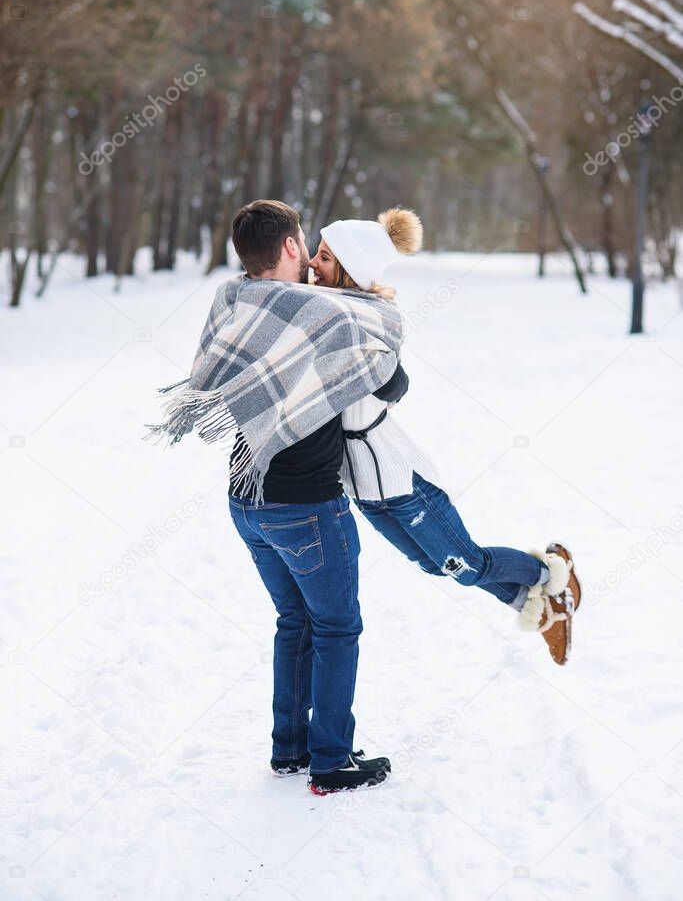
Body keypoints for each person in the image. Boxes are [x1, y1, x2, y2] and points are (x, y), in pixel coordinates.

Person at [146, 200, 408, 794]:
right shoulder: (320, 314)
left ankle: (289, 750)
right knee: (337, 629)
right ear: (289, 247)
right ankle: (331, 761)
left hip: (246, 497)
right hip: (307, 506)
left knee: (295, 622)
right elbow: (389, 375)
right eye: (305, 245)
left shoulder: (233, 301)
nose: (313, 260)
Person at [310, 207, 581, 666]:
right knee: (439, 564)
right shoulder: (329, 312)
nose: (314, 265)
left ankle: (551, 576)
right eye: (316, 255)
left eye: (325, 258)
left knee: (464, 563)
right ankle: (538, 606)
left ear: (351, 274)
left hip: (402, 480)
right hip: (365, 489)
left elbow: (382, 374)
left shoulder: (366, 320)